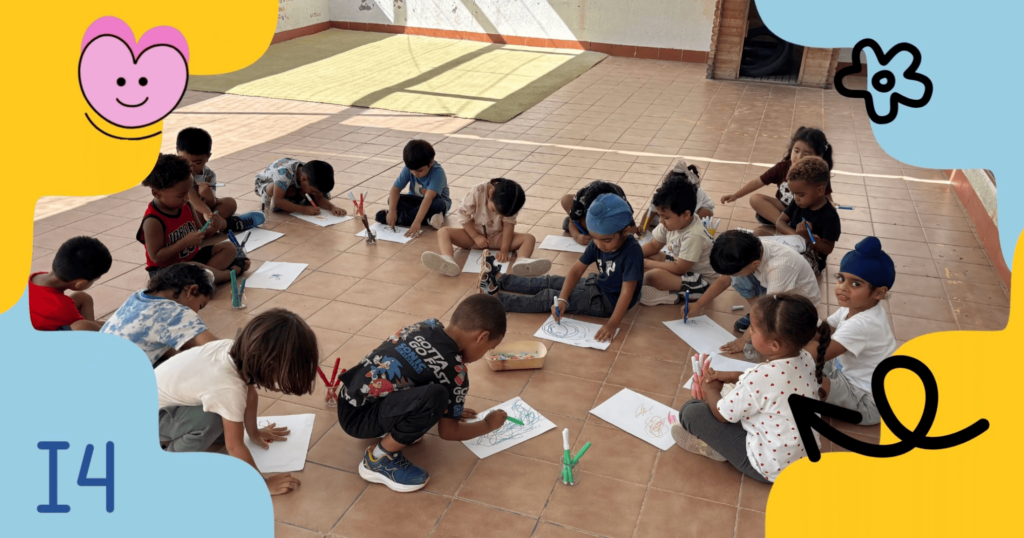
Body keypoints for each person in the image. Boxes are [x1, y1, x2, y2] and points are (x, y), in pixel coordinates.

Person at [336, 295, 508, 493]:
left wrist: (450, 410)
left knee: (432, 393)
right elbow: (449, 432)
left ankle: (396, 429)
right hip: (361, 422)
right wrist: (488, 425)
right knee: (436, 396)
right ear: (482, 337)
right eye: (489, 348)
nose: (484, 353)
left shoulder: (425, 326)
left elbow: (418, 371)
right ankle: (379, 459)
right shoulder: (456, 371)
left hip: (349, 400)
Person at [156, 309, 320, 496]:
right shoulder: (228, 387)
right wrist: (264, 485)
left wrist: (254, 432)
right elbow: (234, 446)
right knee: (212, 422)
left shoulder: (236, 352)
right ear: (268, 364)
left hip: (166, 404)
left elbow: (250, 395)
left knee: (228, 418)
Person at [673, 293, 829, 483]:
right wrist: (731, 376)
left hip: (770, 468)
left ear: (774, 345)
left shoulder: (759, 378)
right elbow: (768, 383)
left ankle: (719, 450)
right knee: (739, 401)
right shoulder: (806, 359)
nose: (750, 333)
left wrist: (711, 390)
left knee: (691, 411)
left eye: (753, 330)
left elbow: (722, 415)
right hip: (803, 460)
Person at [482, 193, 643, 343]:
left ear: (625, 232)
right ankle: (501, 279)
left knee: (549, 297)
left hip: (608, 302)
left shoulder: (632, 251)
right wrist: (563, 299)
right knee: (550, 281)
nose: (599, 245)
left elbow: (626, 293)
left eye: (606, 240)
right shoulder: (599, 241)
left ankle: (495, 301)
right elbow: (576, 270)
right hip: (597, 284)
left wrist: (612, 324)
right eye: (595, 238)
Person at [686, 230, 820, 354]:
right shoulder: (750, 250)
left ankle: (758, 320)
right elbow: (724, 280)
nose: (731, 275)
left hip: (797, 305)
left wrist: (743, 340)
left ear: (755, 264)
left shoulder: (779, 268)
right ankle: (756, 316)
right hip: (774, 289)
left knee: (770, 328)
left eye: (734, 272)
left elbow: (770, 309)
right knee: (737, 278)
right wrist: (698, 304)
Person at [814, 237, 897, 425]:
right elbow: (823, 331)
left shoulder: (863, 324)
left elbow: (820, 353)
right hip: (845, 374)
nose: (843, 287)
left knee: (801, 378)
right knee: (801, 365)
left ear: (879, 293)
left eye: (856, 284)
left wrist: (788, 343)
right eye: (841, 278)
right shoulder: (853, 308)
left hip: (868, 402)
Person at [137, 154, 248, 283]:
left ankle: (206, 278)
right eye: (181, 195)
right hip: (166, 271)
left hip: (191, 259)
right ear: (157, 193)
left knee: (229, 248)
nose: (187, 198)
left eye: (188, 193)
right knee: (193, 267)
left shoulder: (186, 205)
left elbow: (201, 233)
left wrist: (213, 228)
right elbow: (156, 256)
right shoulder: (153, 220)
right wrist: (184, 243)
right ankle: (228, 274)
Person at [421, 178, 551, 277]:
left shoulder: (511, 202)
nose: (497, 215)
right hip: (474, 236)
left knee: (529, 238)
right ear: (491, 193)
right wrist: (476, 237)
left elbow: (508, 226)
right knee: (443, 232)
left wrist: (504, 249)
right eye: (495, 210)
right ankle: (447, 260)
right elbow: (463, 216)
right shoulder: (477, 191)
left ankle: (522, 262)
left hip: (499, 238)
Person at [101, 264, 218, 367]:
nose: (197, 312)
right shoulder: (175, 313)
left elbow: (164, 343)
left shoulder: (139, 296)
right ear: (192, 290)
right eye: (200, 305)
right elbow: (217, 349)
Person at [720, 126, 834, 227]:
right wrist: (736, 195)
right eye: (796, 151)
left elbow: (826, 196)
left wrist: (831, 205)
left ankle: (786, 225)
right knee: (755, 199)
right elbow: (757, 182)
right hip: (784, 208)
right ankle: (784, 225)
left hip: (805, 213)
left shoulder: (819, 174)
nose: (799, 157)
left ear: (818, 157)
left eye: (806, 154)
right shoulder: (782, 168)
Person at [639, 173, 718, 306]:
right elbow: (653, 245)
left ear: (686, 215)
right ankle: (663, 285)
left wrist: (646, 264)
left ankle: (668, 294)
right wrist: (633, 255)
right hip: (684, 266)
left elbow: (679, 268)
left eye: (665, 217)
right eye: (659, 215)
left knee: (653, 276)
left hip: (702, 282)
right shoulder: (672, 223)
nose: (661, 221)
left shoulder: (694, 235)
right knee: (652, 256)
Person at [755, 156, 841, 274]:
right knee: (758, 233)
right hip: (791, 244)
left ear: (820, 191)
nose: (796, 198)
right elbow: (780, 222)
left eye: (801, 195)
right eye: (794, 193)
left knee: (781, 263)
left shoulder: (830, 216)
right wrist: (797, 236)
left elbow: (827, 249)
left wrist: (807, 237)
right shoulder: (797, 202)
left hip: (811, 258)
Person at [176, 127, 263, 232]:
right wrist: (207, 212)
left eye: (197, 163)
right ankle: (228, 224)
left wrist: (209, 197)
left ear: (208, 157)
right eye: (185, 161)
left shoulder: (209, 175)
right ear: (177, 152)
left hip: (204, 214)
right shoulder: (178, 173)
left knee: (230, 203)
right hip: (184, 213)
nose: (191, 166)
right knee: (198, 215)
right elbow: (192, 200)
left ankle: (214, 226)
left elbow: (212, 204)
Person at [29, 236, 111, 331]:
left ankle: (94, 327)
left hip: (37, 320)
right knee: (84, 326)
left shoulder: (35, 277)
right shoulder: (62, 308)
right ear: (80, 283)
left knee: (82, 297)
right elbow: (80, 324)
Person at [376, 139, 451, 237]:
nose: (415, 174)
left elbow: (428, 198)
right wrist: (392, 211)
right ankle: (428, 220)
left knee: (438, 204)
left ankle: (403, 219)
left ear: (431, 162)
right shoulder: (409, 168)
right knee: (392, 200)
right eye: (412, 170)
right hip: (416, 202)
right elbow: (395, 190)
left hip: (434, 202)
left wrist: (417, 222)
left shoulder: (437, 173)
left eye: (419, 170)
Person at [254, 157, 347, 216]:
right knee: (286, 193)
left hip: (294, 184)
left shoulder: (309, 172)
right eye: (313, 191)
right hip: (264, 184)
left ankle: (298, 195)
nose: (316, 193)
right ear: (303, 178)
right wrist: (303, 209)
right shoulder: (284, 174)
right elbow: (278, 201)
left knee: (324, 194)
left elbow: (319, 197)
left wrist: (333, 207)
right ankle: (287, 197)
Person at [559, 180, 639, 246]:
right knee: (566, 200)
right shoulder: (581, 198)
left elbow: (632, 228)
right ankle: (580, 224)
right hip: (583, 212)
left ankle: (583, 227)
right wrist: (577, 236)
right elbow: (573, 222)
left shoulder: (620, 201)